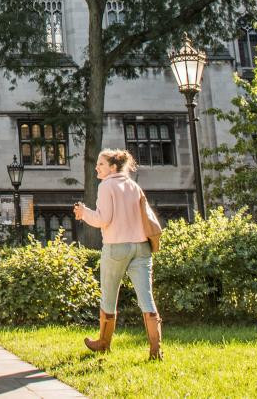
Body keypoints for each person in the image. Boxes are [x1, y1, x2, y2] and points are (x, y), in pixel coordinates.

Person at [73, 149, 162, 360]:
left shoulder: (106, 186)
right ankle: (155, 350)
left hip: (116, 247)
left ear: (113, 167)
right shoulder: (134, 185)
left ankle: (104, 343)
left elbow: (103, 219)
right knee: (146, 298)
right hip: (142, 247)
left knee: (109, 296)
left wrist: (83, 213)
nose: (97, 168)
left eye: (101, 164)